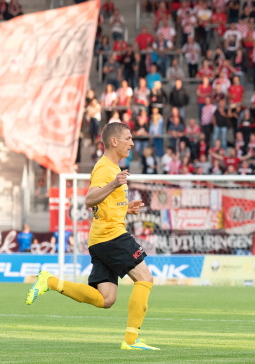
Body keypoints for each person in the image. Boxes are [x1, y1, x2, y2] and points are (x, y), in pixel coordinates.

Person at [26, 122, 161, 351]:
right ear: (114, 141)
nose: (132, 143)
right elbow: (89, 200)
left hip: (100, 239)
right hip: (112, 236)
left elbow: (104, 203)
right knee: (145, 278)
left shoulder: (112, 169)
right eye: (127, 138)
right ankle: (131, 340)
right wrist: (114, 183)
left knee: (106, 299)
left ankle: (50, 281)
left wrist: (126, 208)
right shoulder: (105, 169)